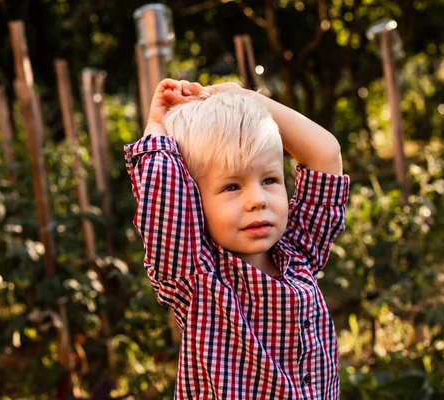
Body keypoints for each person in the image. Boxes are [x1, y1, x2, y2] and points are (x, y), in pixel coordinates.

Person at [124, 78, 350, 399]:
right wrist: (158, 124)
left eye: (270, 179)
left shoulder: (300, 250)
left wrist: (244, 98)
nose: (257, 199)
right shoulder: (196, 279)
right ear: (193, 203)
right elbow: (163, 194)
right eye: (232, 186)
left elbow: (325, 154)